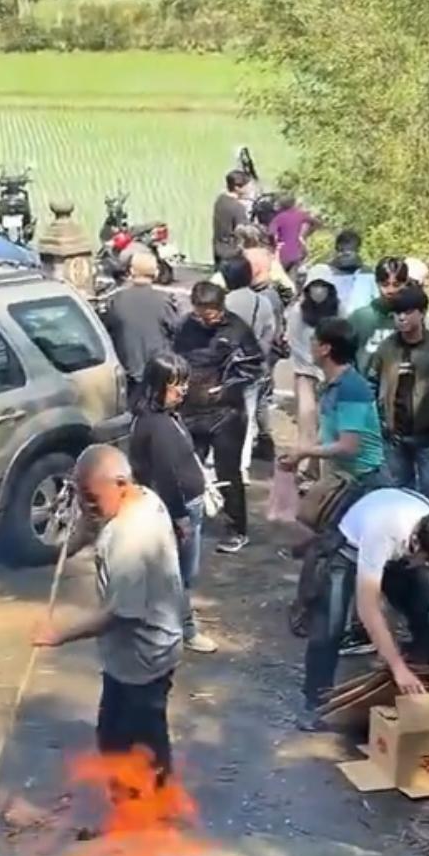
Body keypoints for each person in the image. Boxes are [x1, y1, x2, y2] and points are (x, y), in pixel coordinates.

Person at [33, 443, 184, 778]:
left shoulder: (129, 537)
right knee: (115, 738)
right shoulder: (139, 496)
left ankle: (153, 815)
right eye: (81, 496)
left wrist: (58, 635)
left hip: (144, 658)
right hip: (132, 656)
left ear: (119, 483)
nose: (87, 506)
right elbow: (94, 522)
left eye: (91, 497)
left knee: (140, 748)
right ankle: (132, 803)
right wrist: (79, 526)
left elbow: (120, 614)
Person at [301, 488, 429, 716]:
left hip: (403, 555)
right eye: (428, 562)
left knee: (428, 620)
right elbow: (368, 606)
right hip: (348, 549)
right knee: (329, 628)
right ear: (417, 543)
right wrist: (397, 667)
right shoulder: (383, 532)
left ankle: (422, 688)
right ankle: (317, 704)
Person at [129, 351, 215, 653]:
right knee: (179, 575)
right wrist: (180, 518)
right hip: (178, 510)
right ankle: (185, 630)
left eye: (184, 383)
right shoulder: (158, 425)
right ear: (157, 386)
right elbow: (166, 476)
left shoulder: (163, 417)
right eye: (175, 384)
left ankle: (168, 625)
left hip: (183, 506)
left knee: (173, 574)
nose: (183, 390)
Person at [173, 280, 261, 554]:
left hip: (227, 413)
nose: (206, 317)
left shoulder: (236, 329)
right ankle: (183, 521)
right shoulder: (186, 327)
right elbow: (175, 358)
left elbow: (255, 366)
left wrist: (227, 386)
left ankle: (237, 529)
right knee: (185, 469)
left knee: (228, 472)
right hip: (191, 411)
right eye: (201, 312)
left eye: (211, 311)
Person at [368, 283, 429, 505]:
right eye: (397, 313)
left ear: (422, 313)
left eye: (407, 312)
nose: (401, 318)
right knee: (397, 494)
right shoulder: (386, 347)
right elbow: (372, 383)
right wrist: (378, 421)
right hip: (394, 436)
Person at [284, 319, 385, 490]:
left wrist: (304, 452)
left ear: (325, 349)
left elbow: (348, 447)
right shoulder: (332, 384)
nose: (310, 345)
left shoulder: (351, 388)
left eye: (313, 340)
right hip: (342, 477)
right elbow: (331, 432)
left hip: (363, 481)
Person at [221, 245, 285, 478]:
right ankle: (242, 465)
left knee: (221, 414)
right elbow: (270, 334)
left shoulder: (224, 302)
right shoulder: (262, 302)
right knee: (247, 418)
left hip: (225, 367)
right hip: (254, 366)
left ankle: (217, 460)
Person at [100, 244, 181, 395]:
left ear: (131, 272)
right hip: (158, 371)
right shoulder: (164, 301)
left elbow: (107, 329)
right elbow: (177, 331)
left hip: (128, 371)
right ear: (155, 273)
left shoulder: (115, 300)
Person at [285, 267, 340, 450]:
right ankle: (304, 459)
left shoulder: (339, 309)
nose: (318, 290)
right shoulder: (298, 311)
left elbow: (343, 337)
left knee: (327, 419)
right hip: (305, 369)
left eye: (322, 286)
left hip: (331, 368)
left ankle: (321, 463)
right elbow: (294, 341)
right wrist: (312, 363)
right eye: (314, 286)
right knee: (307, 416)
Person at [350, 257, 411, 372]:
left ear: (405, 283)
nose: (390, 290)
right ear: (377, 283)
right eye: (385, 284)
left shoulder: (411, 317)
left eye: (396, 284)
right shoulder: (360, 317)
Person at [329, 229, 377, 319]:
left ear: (357, 250)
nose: (345, 253)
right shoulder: (327, 273)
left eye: (350, 249)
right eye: (341, 250)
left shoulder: (368, 274)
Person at [211, 166, 251, 270]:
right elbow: (244, 232)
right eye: (246, 186)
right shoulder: (238, 207)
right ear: (237, 188)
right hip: (232, 252)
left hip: (218, 249)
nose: (249, 189)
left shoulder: (220, 200)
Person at [268, 188, 315, 276]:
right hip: (297, 252)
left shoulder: (279, 218)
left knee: (280, 277)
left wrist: (274, 244)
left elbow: (271, 233)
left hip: (283, 253)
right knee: (294, 277)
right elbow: (316, 223)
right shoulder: (300, 215)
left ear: (281, 205)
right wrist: (306, 234)